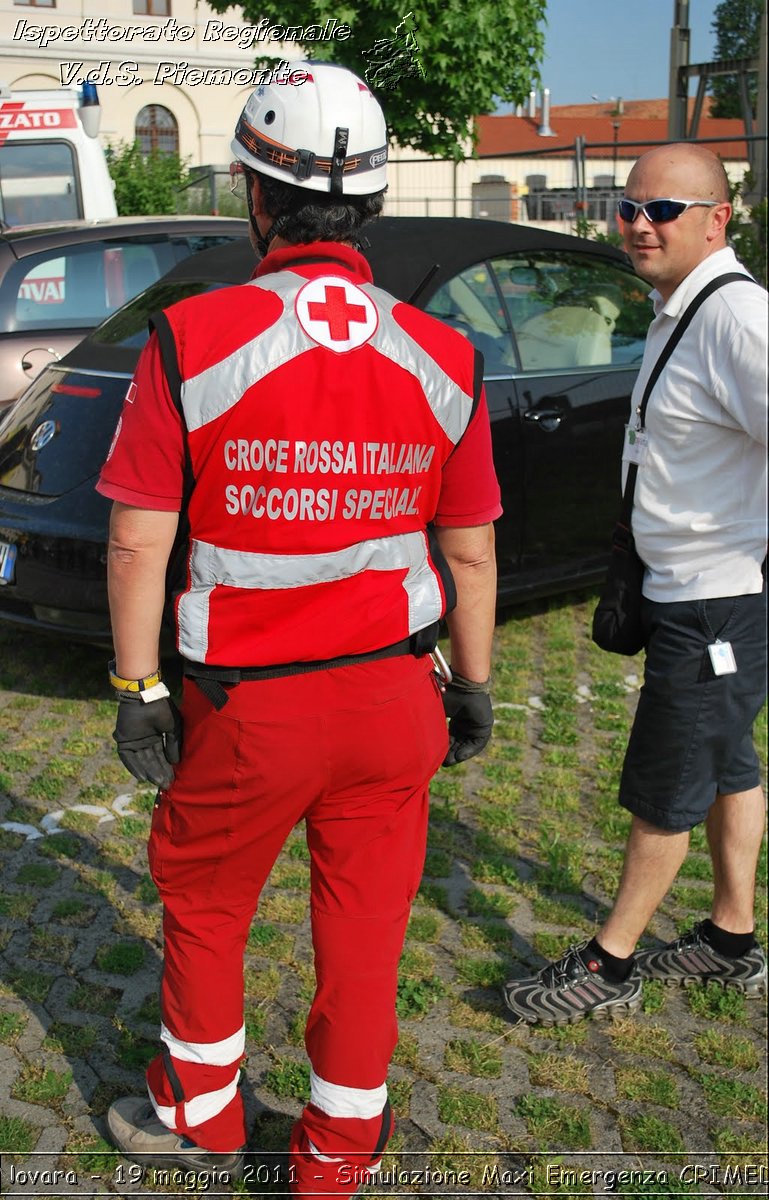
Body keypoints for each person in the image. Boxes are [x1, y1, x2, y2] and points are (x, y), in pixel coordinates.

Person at [97, 64, 501, 1195]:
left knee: (207, 906)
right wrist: (468, 685)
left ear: (253, 193)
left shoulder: (189, 338)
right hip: (391, 699)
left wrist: (138, 691)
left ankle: (204, 1114)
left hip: (247, 708)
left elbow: (137, 543)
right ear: (371, 200)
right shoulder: (446, 353)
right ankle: (335, 1157)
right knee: (367, 934)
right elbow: (467, 550)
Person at [504, 143, 769, 1026]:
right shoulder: (687, 304)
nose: (638, 223)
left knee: (669, 778)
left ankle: (612, 960)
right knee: (725, 761)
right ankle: (731, 938)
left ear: (717, 220)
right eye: (626, 206)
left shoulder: (739, 316)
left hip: (725, 594)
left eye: (661, 209)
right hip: (689, 583)